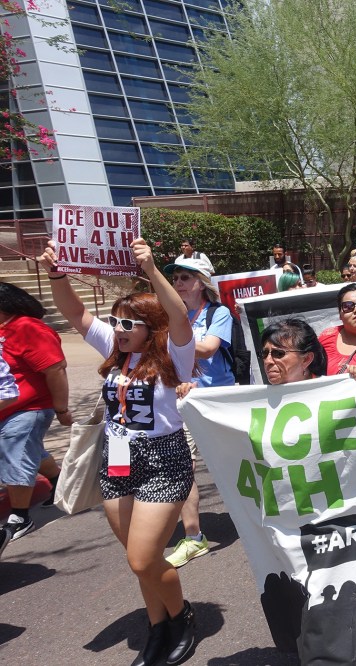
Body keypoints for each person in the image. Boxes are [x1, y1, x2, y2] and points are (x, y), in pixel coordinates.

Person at [39, 238, 198, 666]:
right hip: (117, 459)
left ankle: (182, 616)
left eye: (129, 324)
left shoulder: (174, 355)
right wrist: (57, 274)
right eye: (116, 323)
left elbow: (179, 315)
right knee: (137, 560)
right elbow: (74, 313)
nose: (119, 330)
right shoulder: (115, 349)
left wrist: (150, 269)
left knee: (143, 556)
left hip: (163, 460)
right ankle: (157, 626)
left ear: (151, 327)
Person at [162, 256, 235, 569]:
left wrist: (171, 341)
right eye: (175, 278)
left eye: (185, 277)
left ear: (202, 282)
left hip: (218, 400)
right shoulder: (168, 314)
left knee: (235, 463)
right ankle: (194, 537)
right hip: (181, 402)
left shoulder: (219, 312)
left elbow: (209, 348)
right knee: (184, 467)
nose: (178, 283)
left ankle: (262, 513)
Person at [0, 283, 71, 545]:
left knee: (16, 455)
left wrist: (62, 408)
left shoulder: (28, 327)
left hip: (29, 408)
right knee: (30, 451)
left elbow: (56, 368)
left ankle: (20, 517)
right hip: (8, 410)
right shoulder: (4, 330)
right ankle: (58, 481)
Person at [260, 319, 327, 384]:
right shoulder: (261, 395)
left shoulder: (329, 392)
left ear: (306, 359)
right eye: (264, 354)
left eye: (278, 353)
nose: (267, 361)